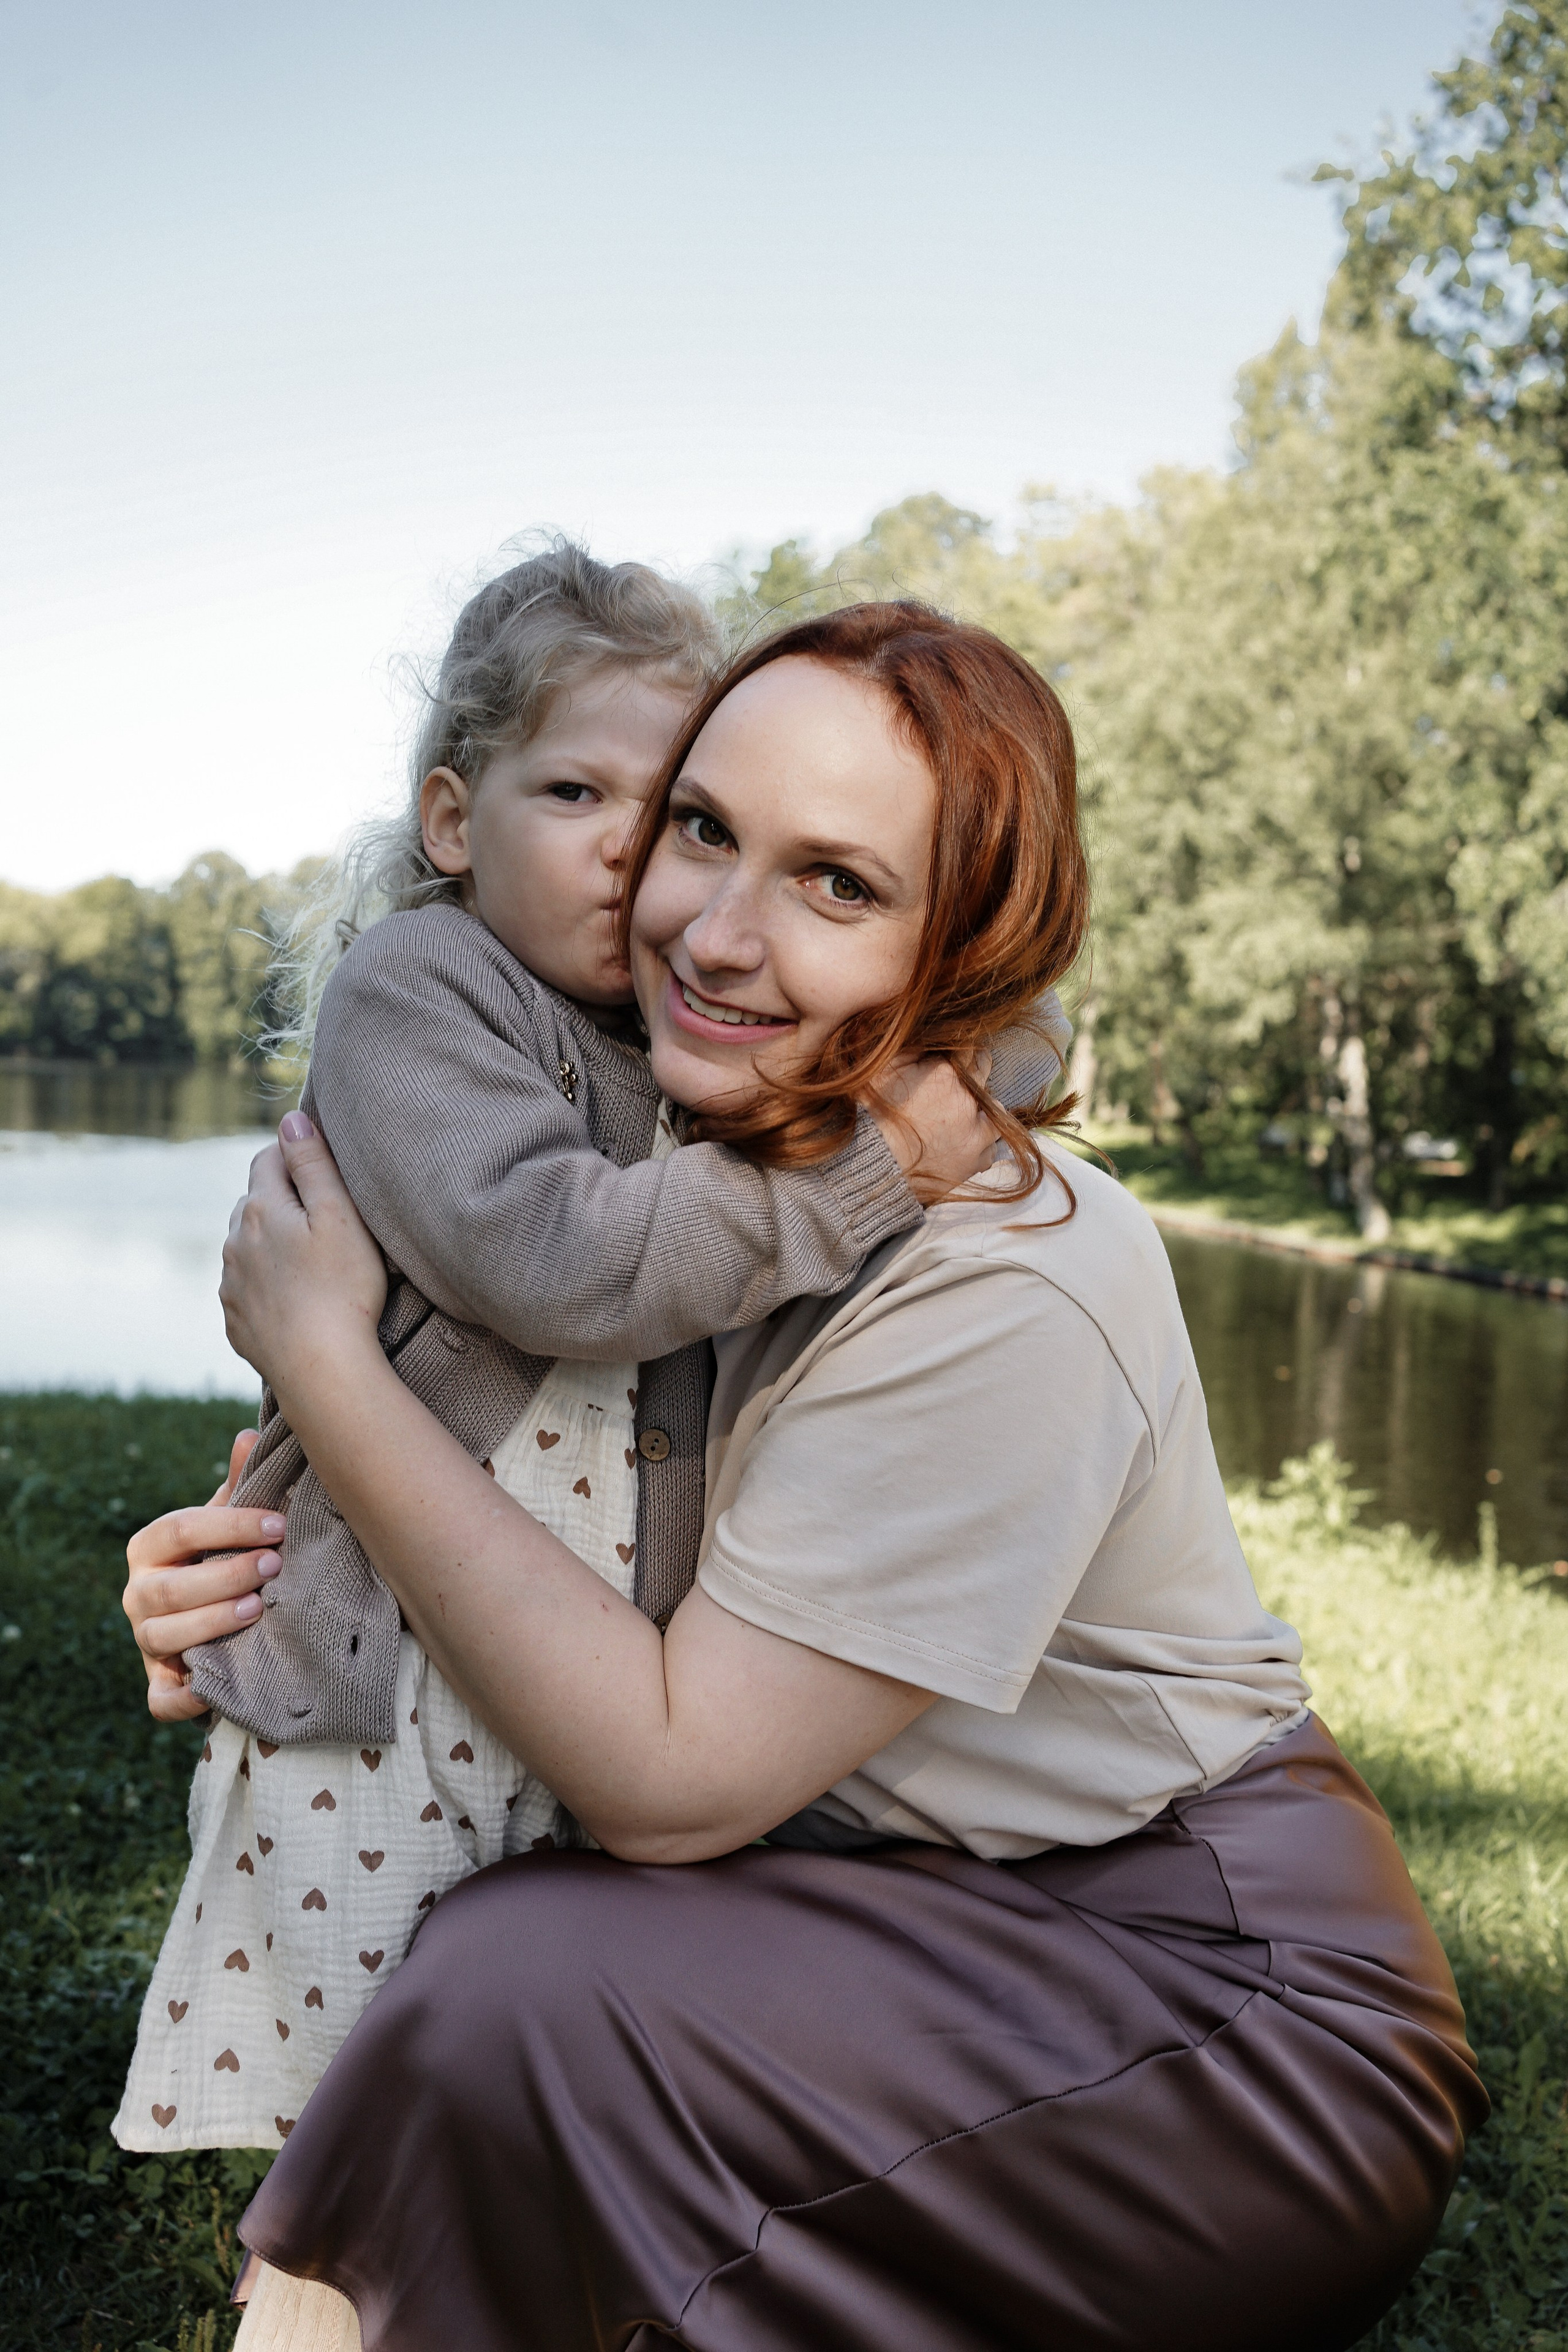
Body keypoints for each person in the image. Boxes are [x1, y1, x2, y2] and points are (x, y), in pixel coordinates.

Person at [127, 602, 1486, 2352]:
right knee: (512, 1956)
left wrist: (327, 1361)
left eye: (837, 884)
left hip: (1218, 2031)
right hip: (896, 1913)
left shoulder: (1014, 1277)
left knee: (526, 1986)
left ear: (964, 949)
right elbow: (538, 1491)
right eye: (701, 829)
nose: (715, 932)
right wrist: (277, 1574)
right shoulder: (699, 1166)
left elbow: (670, 1783)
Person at [114, 548, 1060, 2165]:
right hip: (395, 1683)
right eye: (574, 793)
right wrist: (870, 1166)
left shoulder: (684, 1024)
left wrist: (976, 1046)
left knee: (527, 2060)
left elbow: (1001, 1044)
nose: (632, 847)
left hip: (575, 1664)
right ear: (451, 823)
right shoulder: (419, 990)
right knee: (373, 2101)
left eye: (672, 805)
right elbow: (572, 1265)